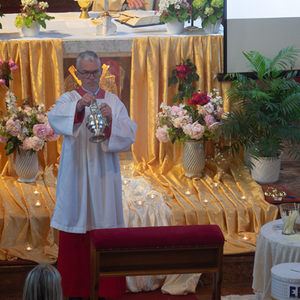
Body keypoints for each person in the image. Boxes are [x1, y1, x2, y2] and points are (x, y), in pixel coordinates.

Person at [48, 51, 137, 300]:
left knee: (105, 224)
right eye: (85, 72)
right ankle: (75, 290)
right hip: (75, 173)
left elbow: (129, 134)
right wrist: (78, 106)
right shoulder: (67, 98)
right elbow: (56, 120)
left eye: (95, 72)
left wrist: (111, 122)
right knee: (75, 224)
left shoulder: (113, 102)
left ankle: (107, 291)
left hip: (104, 176)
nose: (90, 77)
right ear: (77, 73)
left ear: (101, 72)